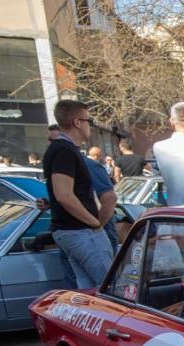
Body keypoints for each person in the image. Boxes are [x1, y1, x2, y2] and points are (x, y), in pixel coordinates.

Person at [43, 101, 111, 289]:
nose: (91, 125)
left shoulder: (63, 149)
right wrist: (94, 223)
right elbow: (64, 195)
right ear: (77, 122)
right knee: (108, 287)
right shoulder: (64, 150)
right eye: (89, 120)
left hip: (72, 231)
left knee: (89, 289)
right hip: (80, 231)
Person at [84, 144, 119, 251]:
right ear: (97, 156)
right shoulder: (92, 166)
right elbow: (110, 198)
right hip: (97, 221)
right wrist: (98, 226)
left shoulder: (88, 165)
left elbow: (110, 198)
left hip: (95, 221)